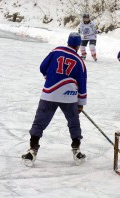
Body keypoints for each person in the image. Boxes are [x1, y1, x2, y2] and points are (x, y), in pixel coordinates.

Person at [22, 32, 87, 166]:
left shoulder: (56, 51)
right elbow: (82, 83)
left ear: (68, 41)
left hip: (49, 94)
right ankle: (76, 149)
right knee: (73, 122)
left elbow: (42, 67)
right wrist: (81, 104)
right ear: (78, 45)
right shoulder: (79, 60)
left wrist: (49, 78)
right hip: (69, 96)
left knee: (39, 122)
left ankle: (32, 149)